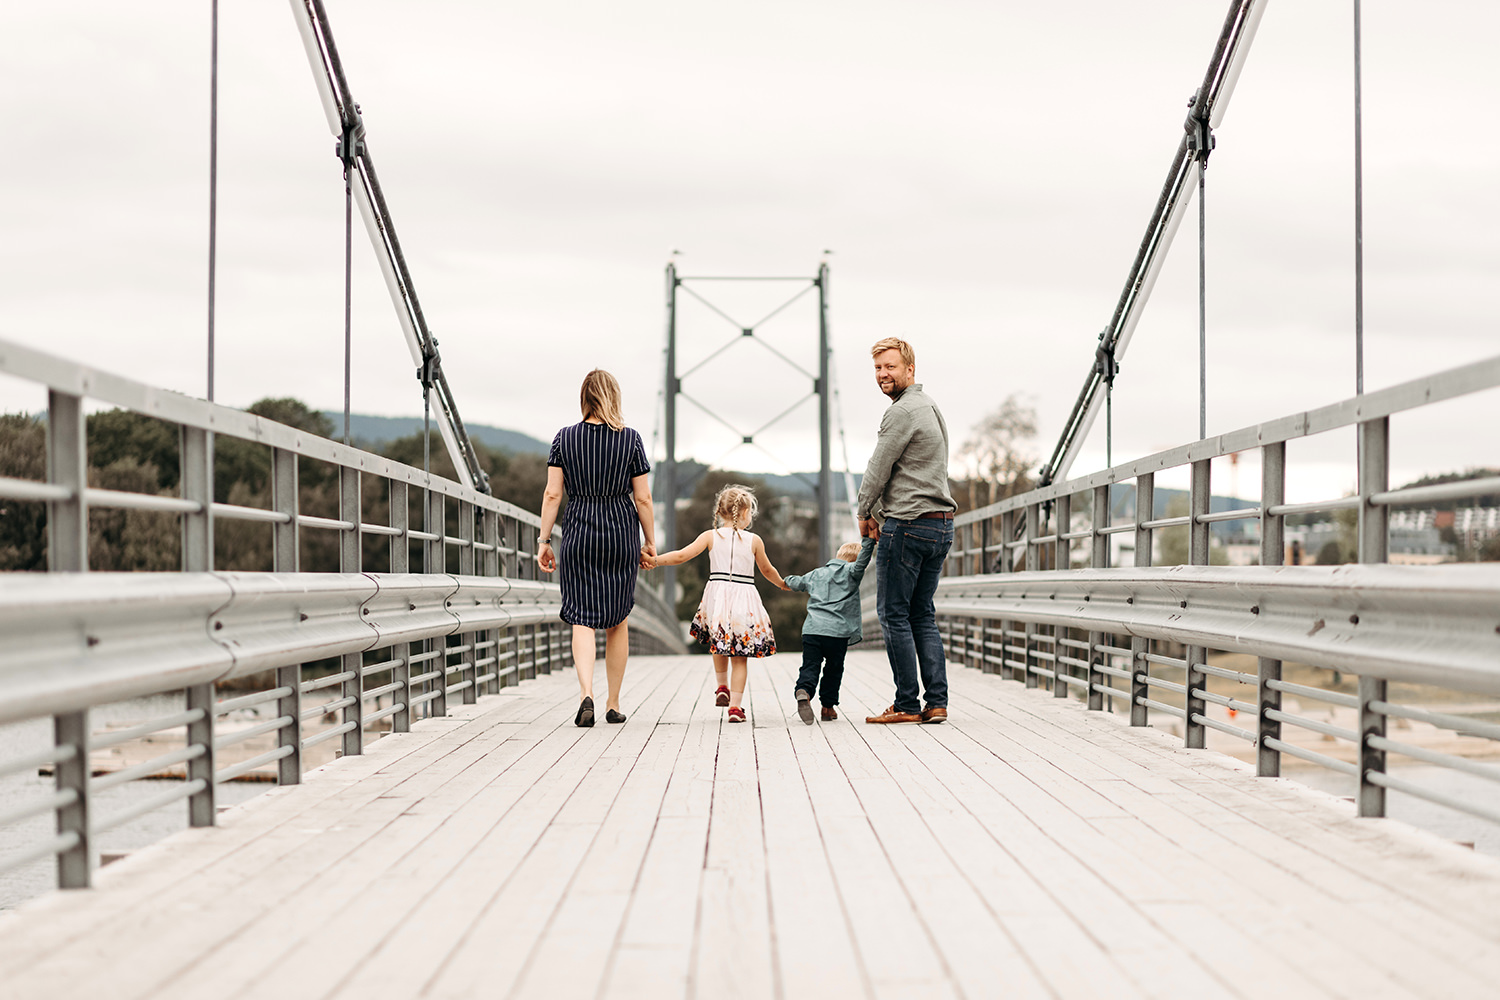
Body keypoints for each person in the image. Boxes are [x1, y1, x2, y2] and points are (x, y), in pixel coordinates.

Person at [537, 369, 656, 728]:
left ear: (584, 398)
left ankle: (585, 693)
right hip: (620, 531)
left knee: (581, 618)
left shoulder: (564, 438)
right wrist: (649, 541)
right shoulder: (630, 439)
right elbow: (644, 498)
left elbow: (553, 493)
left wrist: (544, 540)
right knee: (617, 620)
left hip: (579, 530)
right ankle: (613, 703)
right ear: (613, 397)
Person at [856, 337, 956, 725]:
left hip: (909, 525)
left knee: (893, 614)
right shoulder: (930, 406)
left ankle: (907, 704)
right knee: (922, 615)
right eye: (878, 369)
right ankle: (937, 702)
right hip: (940, 525)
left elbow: (878, 468)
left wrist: (865, 510)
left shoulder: (901, 412)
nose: (883, 375)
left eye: (890, 367)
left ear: (910, 369)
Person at [653, 484, 787, 723]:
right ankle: (735, 708)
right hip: (744, 599)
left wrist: (655, 560)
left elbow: (682, 555)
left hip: (717, 596)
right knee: (740, 655)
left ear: (720, 512)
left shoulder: (710, 536)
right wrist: (782, 583)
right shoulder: (755, 541)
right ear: (745, 513)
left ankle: (721, 686)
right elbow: (767, 570)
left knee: (719, 642)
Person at [785, 536, 876, 725]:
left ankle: (804, 691)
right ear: (854, 561)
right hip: (837, 633)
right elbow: (864, 560)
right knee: (833, 669)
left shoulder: (816, 573)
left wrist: (786, 580)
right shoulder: (852, 572)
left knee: (810, 665)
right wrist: (869, 540)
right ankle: (827, 707)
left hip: (812, 630)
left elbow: (797, 582)